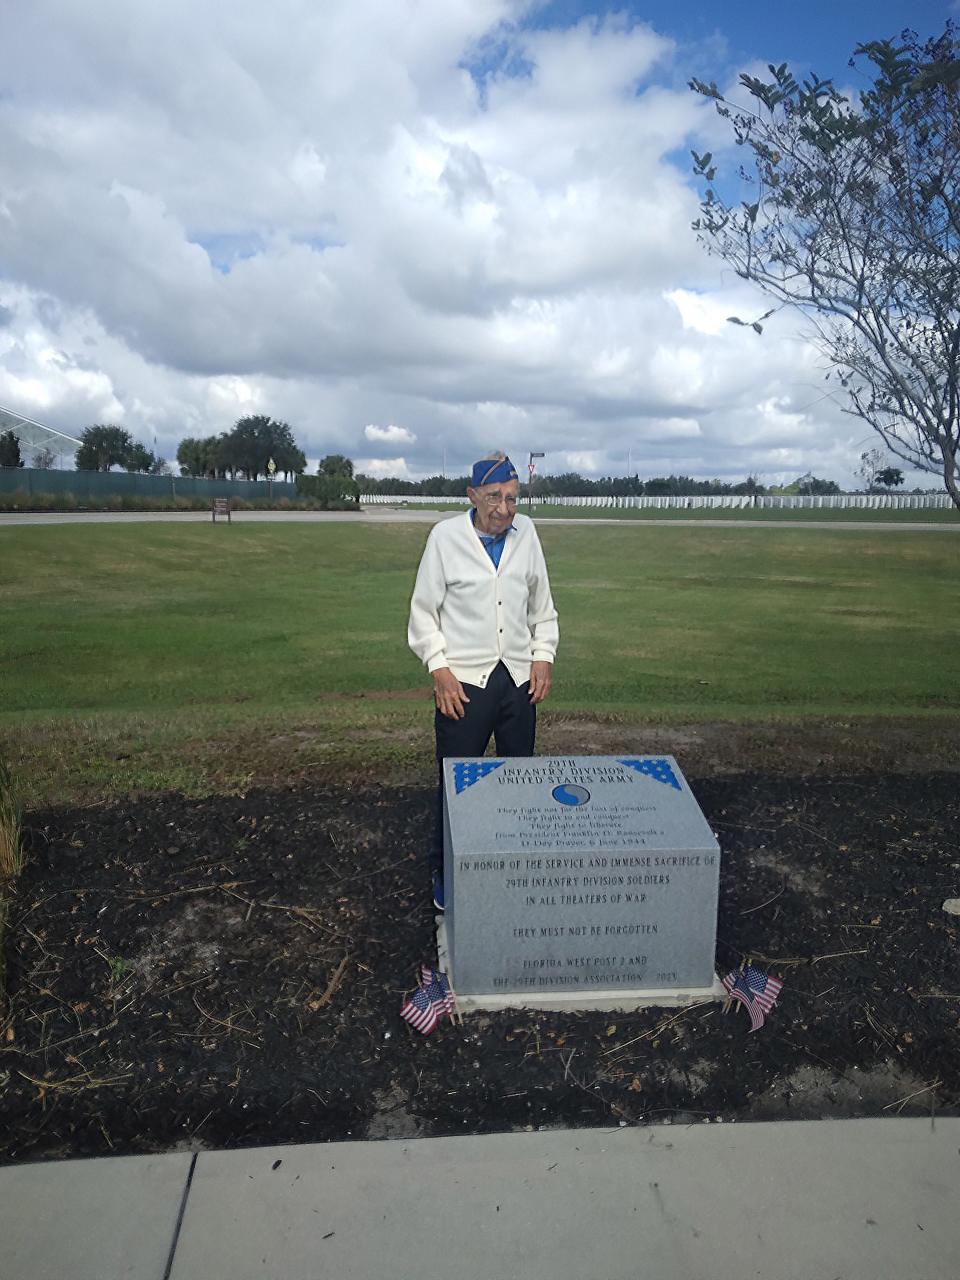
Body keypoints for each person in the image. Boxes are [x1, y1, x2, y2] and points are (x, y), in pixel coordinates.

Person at [407, 452, 559, 909]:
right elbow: (422, 612)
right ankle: (446, 869)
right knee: (457, 783)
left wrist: (543, 656)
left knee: (519, 779)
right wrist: (439, 669)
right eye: (494, 497)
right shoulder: (445, 538)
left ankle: (513, 864)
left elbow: (542, 606)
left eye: (512, 498)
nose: (504, 509)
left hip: (517, 680)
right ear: (472, 495)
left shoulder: (527, 533)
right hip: (464, 686)